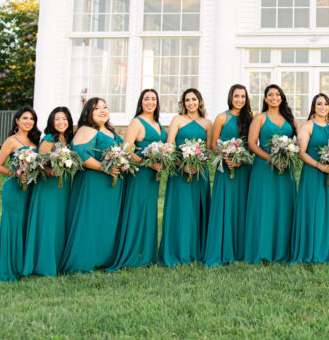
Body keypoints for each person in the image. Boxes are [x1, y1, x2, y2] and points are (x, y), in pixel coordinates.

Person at [59, 98, 123, 274]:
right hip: (92, 183)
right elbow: (80, 155)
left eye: (105, 107)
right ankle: (84, 260)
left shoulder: (110, 131)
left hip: (111, 186)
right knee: (90, 219)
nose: (102, 110)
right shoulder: (87, 129)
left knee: (106, 220)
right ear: (88, 112)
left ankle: (104, 258)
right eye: (97, 108)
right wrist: (105, 168)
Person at [108, 89, 165, 271]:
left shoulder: (157, 123)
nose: (150, 102)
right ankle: (132, 253)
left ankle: (146, 254)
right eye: (146, 99)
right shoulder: (136, 122)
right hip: (140, 173)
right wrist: (149, 164)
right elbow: (127, 150)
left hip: (153, 176)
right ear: (141, 102)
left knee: (149, 211)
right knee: (137, 211)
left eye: (153, 99)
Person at [244, 84, 298, 264]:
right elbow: (252, 144)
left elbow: (297, 141)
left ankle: (283, 250)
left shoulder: (290, 119)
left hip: (285, 168)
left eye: (277, 94)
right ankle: (262, 250)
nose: (274, 97)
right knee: (264, 207)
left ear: (282, 98)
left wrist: (290, 153)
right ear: (265, 99)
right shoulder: (259, 118)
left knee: (284, 207)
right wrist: (270, 158)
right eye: (270, 95)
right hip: (264, 168)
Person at [203, 84, 254, 267]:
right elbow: (214, 145)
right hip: (225, 169)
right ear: (230, 98)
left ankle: (241, 250)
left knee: (242, 207)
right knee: (226, 207)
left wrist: (241, 158)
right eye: (236, 96)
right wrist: (226, 156)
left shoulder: (250, 118)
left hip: (244, 168)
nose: (239, 99)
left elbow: (252, 145)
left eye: (242, 96)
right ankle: (223, 250)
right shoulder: (222, 117)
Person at [159, 88, 211, 266]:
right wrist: (183, 162)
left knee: (196, 210)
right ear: (183, 103)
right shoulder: (177, 120)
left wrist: (199, 161)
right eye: (187, 100)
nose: (191, 103)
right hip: (180, 172)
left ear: (199, 101)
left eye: (194, 99)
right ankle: (177, 251)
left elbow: (210, 149)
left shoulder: (207, 123)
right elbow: (169, 144)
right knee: (181, 211)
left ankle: (197, 251)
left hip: (199, 173)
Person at [22, 106, 74, 277]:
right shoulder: (49, 139)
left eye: (64, 118)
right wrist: (53, 171)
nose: (61, 122)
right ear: (52, 121)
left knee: (59, 223)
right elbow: (39, 165)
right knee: (48, 223)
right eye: (57, 119)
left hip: (63, 186)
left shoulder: (67, 139)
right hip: (48, 187)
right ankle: (44, 265)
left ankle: (57, 262)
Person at [0, 106, 40, 282]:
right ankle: (8, 270)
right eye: (25, 118)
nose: (28, 122)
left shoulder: (36, 142)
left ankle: (23, 267)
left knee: (26, 226)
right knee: (13, 227)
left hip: (31, 190)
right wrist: (17, 173)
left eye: (32, 119)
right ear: (17, 121)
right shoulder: (11, 141)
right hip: (14, 190)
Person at [290, 93, 329, 264]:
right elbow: (301, 153)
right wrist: (320, 166)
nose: (323, 107)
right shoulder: (307, 126)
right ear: (314, 107)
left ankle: (327, 249)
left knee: (327, 211)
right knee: (313, 210)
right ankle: (310, 250)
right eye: (319, 104)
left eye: (325, 104)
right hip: (313, 174)